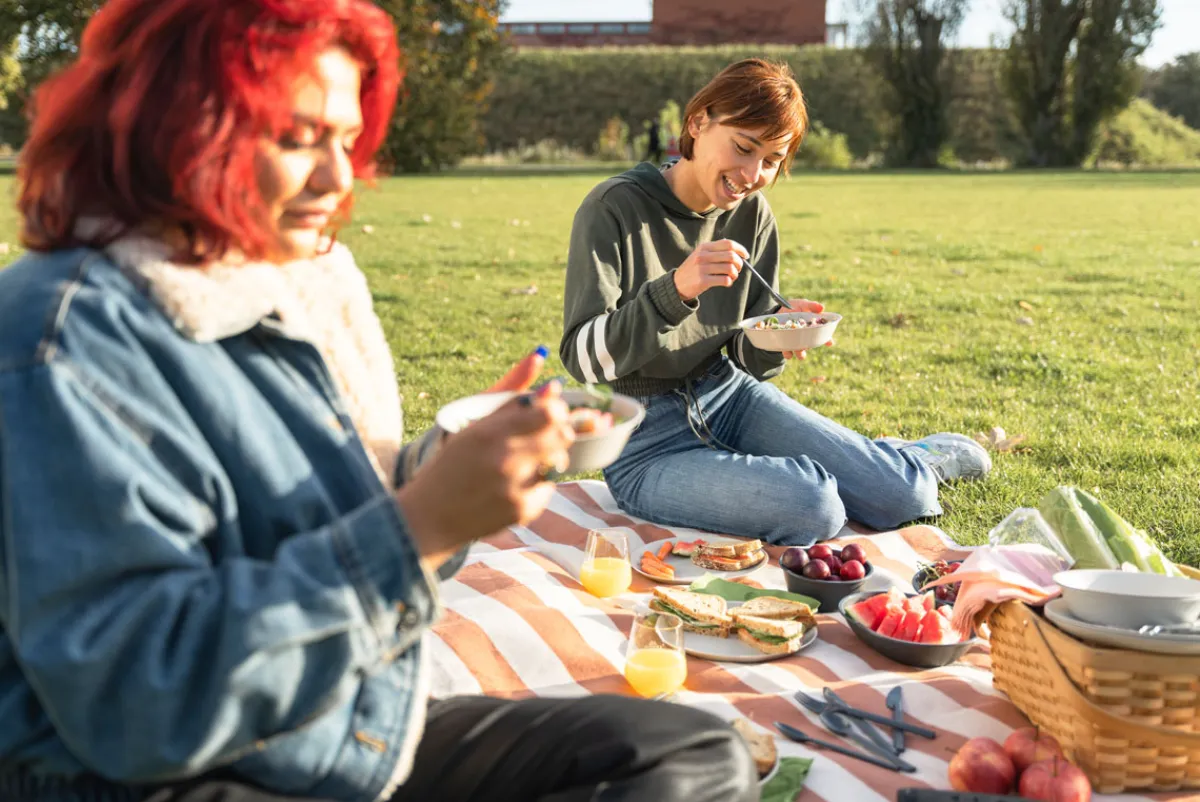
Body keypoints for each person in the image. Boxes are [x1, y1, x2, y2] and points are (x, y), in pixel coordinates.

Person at [0, 2, 758, 801]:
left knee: (693, 758)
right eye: (297, 139)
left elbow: (314, 523)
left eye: (342, 138)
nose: (338, 177)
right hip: (161, 776)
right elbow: (137, 708)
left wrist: (448, 466)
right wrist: (420, 525)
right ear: (174, 124)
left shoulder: (272, 283)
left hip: (330, 725)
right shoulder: (59, 349)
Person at [560, 59, 991, 546]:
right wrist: (675, 289)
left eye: (770, 161)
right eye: (743, 148)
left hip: (729, 397)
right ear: (700, 123)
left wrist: (776, 334)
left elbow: (747, 358)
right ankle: (856, 465)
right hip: (644, 444)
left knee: (907, 495)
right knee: (815, 506)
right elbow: (584, 360)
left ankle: (900, 460)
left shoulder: (753, 215)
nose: (751, 174)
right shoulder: (613, 207)